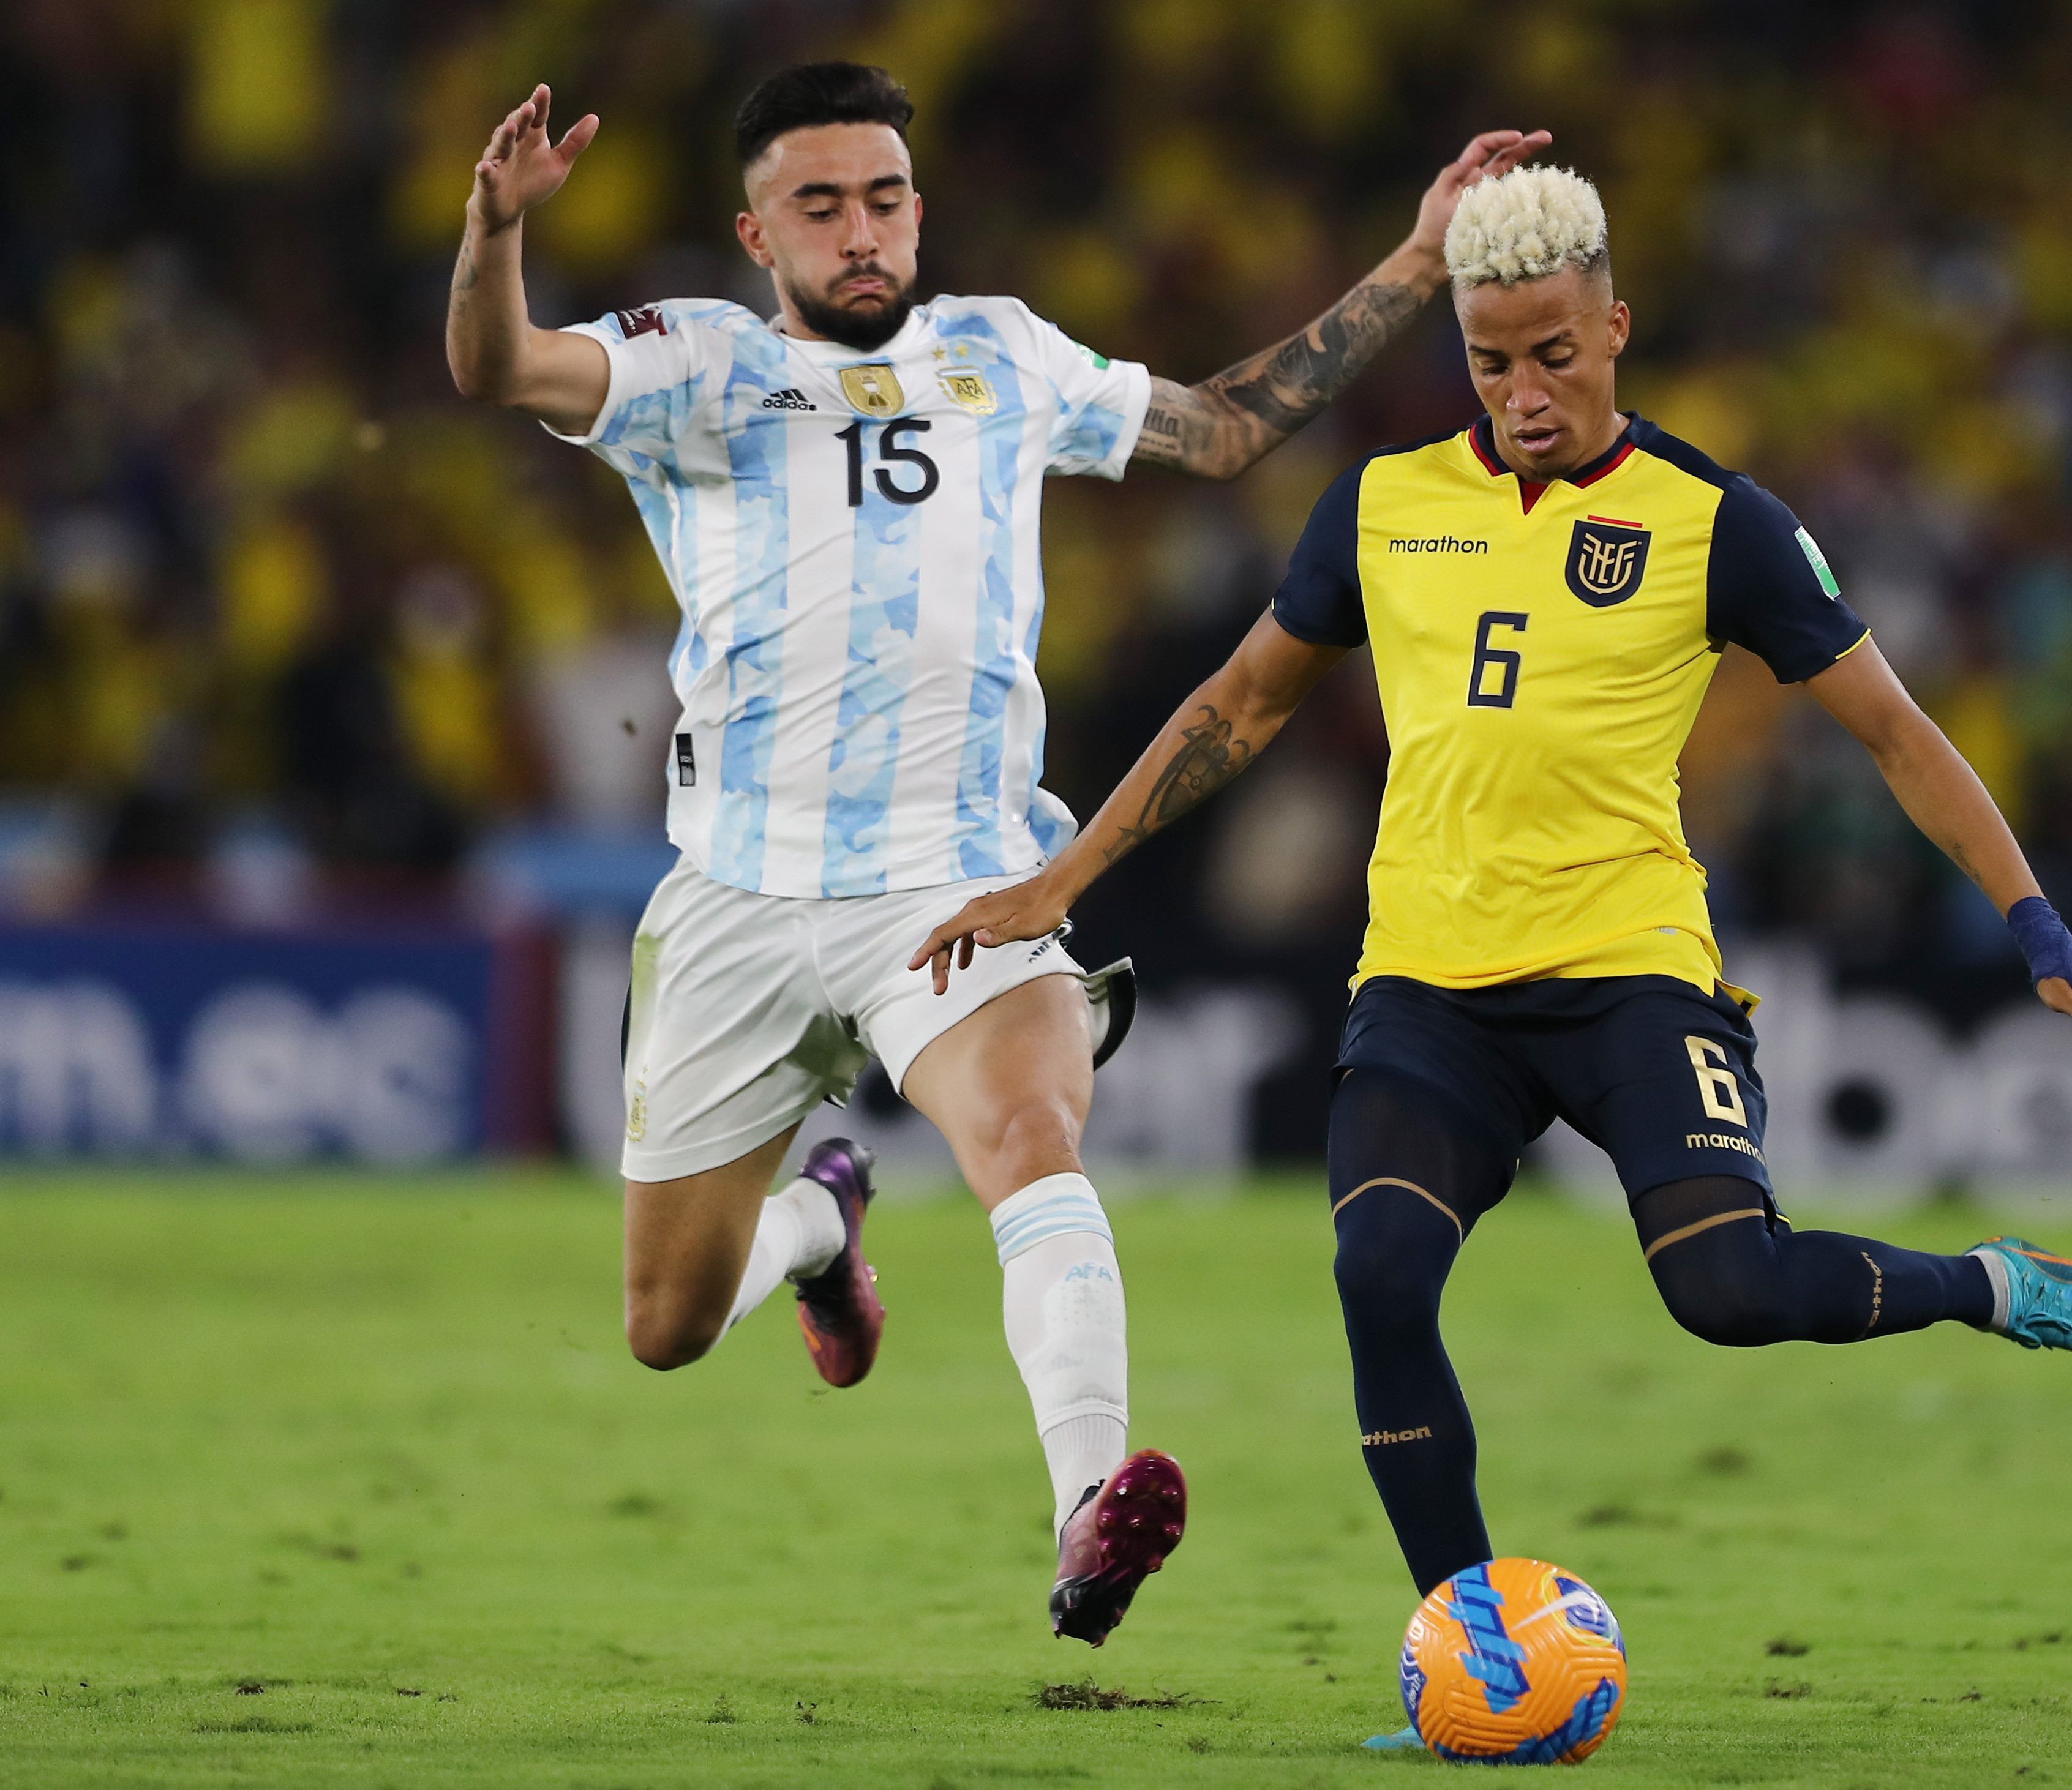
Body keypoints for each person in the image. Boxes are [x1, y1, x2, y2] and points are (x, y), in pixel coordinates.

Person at [911, 165, 2072, 1696]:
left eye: (1555, 356)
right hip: (1428, 990)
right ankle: (1477, 1653)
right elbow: (1241, 703)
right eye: (1491, 360)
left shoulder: (1719, 521)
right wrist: (1065, 879)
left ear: (1616, 329)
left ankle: (2000, 1286)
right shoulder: (1381, 505)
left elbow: (1896, 732)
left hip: (1631, 975)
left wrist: (2038, 925)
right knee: (1381, 1272)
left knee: (1731, 1292)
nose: (1524, 393)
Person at [443, 60, 1547, 1646]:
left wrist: (1420, 256)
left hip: (960, 878)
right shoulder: (694, 363)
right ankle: (819, 1229)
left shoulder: (1005, 355)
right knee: (666, 1324)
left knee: (1031, 1133)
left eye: (884, 197)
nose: (861, 231)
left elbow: (1227, 428)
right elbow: (494, 366)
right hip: (740, 893)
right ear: (755, 233)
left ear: (918, 207)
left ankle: (1090, 1504)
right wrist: (495, 230)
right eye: (820, 205)